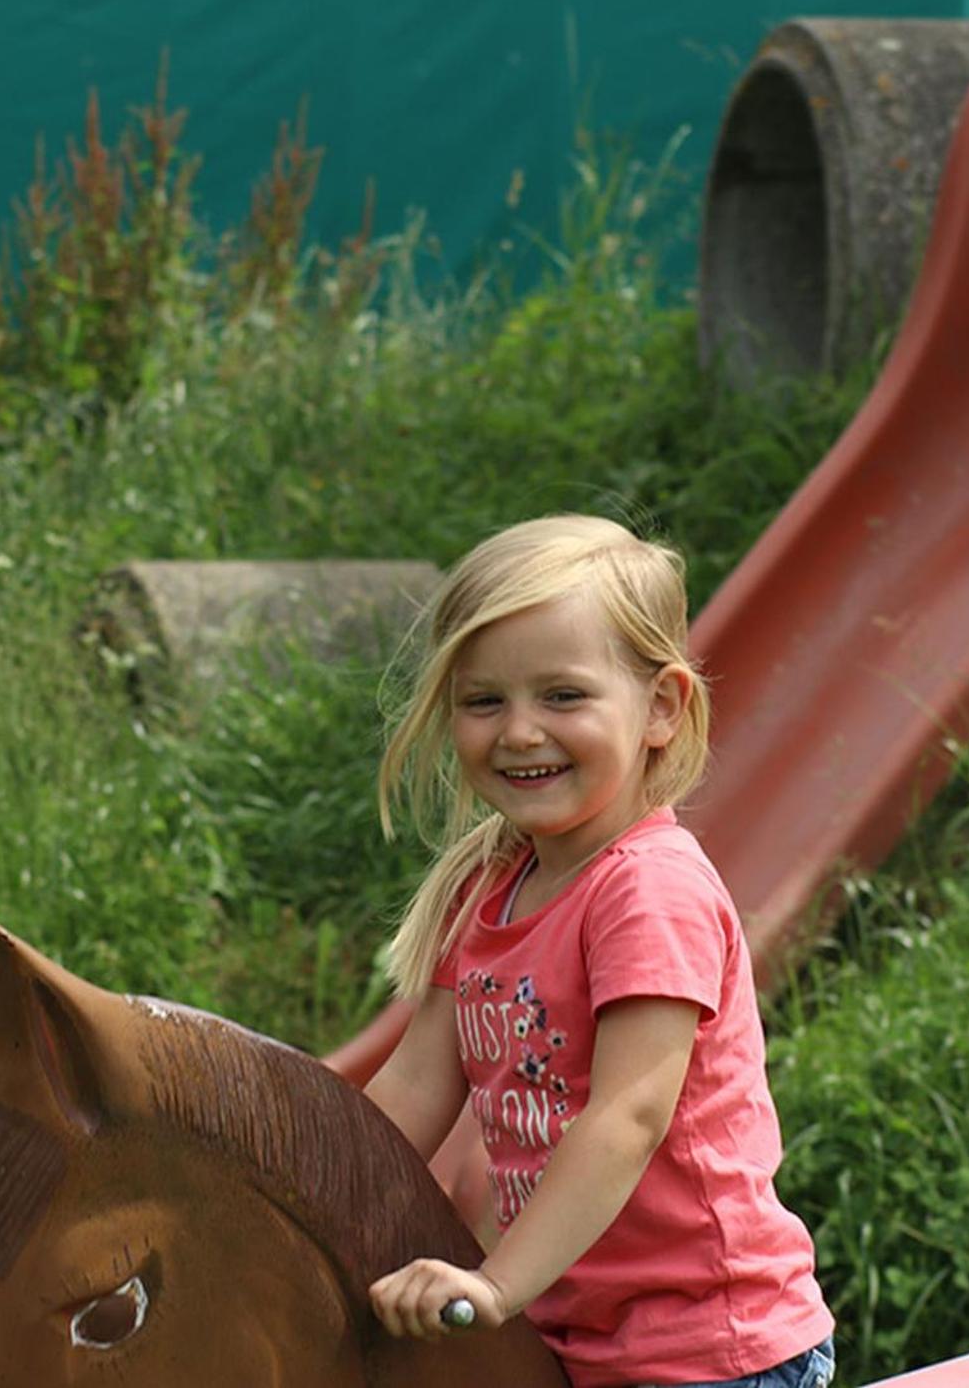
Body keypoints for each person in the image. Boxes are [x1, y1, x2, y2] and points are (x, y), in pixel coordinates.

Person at [363, 514, 836, 1388]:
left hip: (712, 1349)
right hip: (578, 1341)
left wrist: (495, 1284)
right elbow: (413, 1089)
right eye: (483, 700)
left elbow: (628, 1116)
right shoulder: (489, 887)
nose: (519, 731)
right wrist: (283, 1197)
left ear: (661, 707)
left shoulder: (646, 890)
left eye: (563, 696)